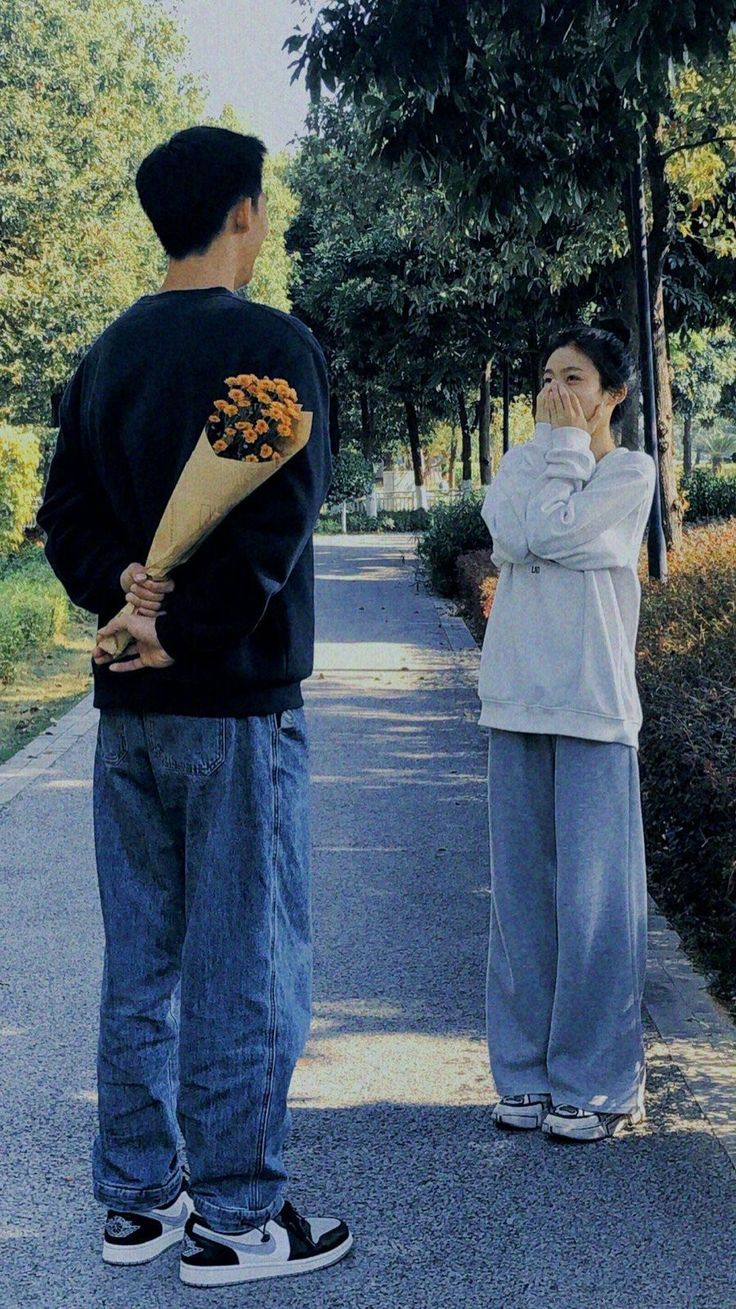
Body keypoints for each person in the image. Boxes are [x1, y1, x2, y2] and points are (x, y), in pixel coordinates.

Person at [38, 125, 352, 1286]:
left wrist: (123, 592)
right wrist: (191, 629)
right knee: (246, 959)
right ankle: (237, 1215)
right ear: (242, 215)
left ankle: (137, 1201)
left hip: (125, 707)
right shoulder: (276, 346)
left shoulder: (105, 354)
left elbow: (66, 515)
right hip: (231, 705)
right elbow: (275, 527)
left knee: (143, 955)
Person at [477, 316, 657, 1143]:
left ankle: (595, 1080)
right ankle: (520, 1072)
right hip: (515, 699)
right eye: (548, 376)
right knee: (521, 905)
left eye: (575, 379)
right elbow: (513, 532)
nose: (555, 392)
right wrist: (551, 462)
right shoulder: (521, 461)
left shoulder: (631, 474)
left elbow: (549, 533)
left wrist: (560, 461)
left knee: (594, 907)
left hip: (591, 709)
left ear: (614, 393)